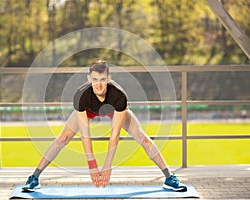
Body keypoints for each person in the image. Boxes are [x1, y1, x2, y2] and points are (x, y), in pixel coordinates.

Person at [22, 59, 187, 192]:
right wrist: (92, 165)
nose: (99, 84)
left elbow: (115, 135)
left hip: (113, 109)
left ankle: (169, 177)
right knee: (63, 137)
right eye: (94, 80)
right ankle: (34, 177)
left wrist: (107, 166)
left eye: (102, 80)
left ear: (109, 79)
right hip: (88, 109)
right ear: (89, 79)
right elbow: (85, 135)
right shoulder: (81, 95)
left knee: (142, 138)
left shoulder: (119, 96)